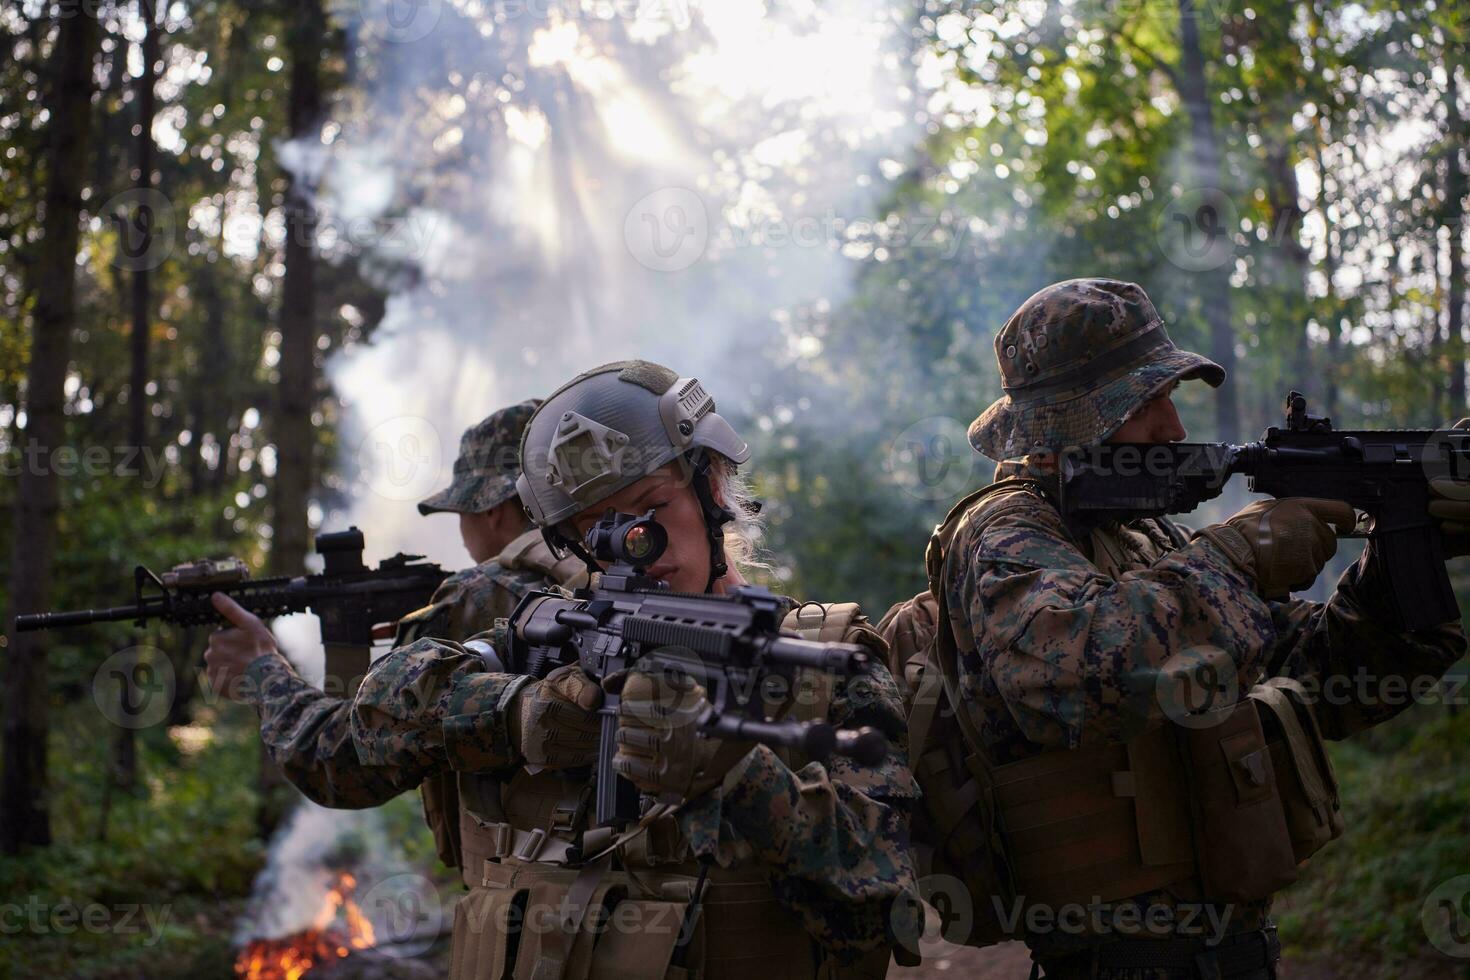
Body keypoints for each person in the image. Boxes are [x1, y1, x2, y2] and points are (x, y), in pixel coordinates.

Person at [210, 361, 919, 979]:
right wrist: (520, 714)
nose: (638, 546)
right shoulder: (544, 632)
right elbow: (365, 734)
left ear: (714, 487)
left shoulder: (826, 665)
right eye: (598, 531)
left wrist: (736, 778)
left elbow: (888, 905)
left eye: (652, 508)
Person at [893, 278, 1469, 979]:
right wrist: (1241, 554)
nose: (1171, 426)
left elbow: (1322, 680)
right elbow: (1074, 677)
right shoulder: (1005, 530)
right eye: (1144, 402)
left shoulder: (1143, 539)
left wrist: (1407, 549)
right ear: (1071, 421)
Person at [203, 399, 587, 870]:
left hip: (534, 896)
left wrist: (262, 671)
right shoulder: (618, 574)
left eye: (462, 511)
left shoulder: (472, 597)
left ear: (495, 510)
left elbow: (341, 764)